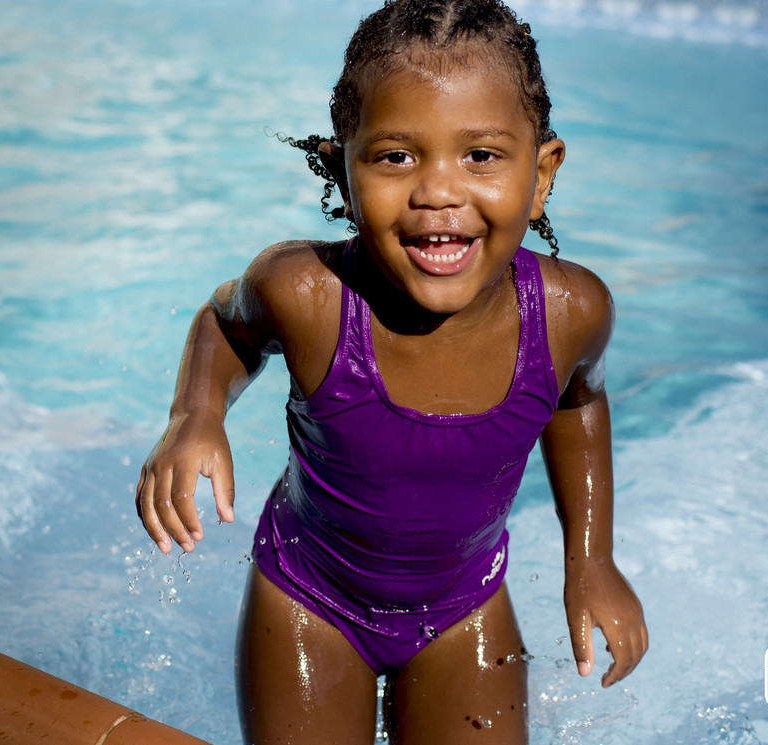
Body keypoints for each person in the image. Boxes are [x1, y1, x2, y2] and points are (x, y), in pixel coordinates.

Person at [136, 1, 648, 742]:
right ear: (344, 171)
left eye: (480, 155)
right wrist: (196, 416)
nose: (438, 191)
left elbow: (579, 400)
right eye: (396, 156)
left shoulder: (572, 314)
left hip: (464, 605)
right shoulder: (307, 295)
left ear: (541, 174)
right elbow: (225, 322)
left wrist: (591, 557)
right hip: (309, 600)